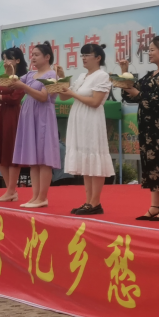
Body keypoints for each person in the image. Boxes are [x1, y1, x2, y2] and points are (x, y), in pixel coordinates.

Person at [119, 36, 159, 221]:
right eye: (149, 50)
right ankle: (155, 206)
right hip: (147, 127)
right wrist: (124, 73)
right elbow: (129, 95)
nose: (149, 53)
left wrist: (138, 94)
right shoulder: (150, 75)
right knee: (151, 164)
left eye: (152, 50)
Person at [59, 43, 115, 215]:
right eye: (82, 55)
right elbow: (63, 96)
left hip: (92, 120)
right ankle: (88, 201)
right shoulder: (82, 76)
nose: (83, 58)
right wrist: (61, 78)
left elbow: (96, 102)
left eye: (87, 55)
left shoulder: (102, 76)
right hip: (79, 119)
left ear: (98, 58)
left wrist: (73, 94)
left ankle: (95, 202)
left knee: (94, 157)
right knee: (85, 160)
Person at [11, 42, 61, 208]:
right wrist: (10, 68)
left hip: (43, 117)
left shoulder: (51, 74)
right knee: (33, 160)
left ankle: (42, 197)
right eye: (32, 54)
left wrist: (23, 86)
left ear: (47, 57)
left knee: (43, 159)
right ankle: (35, 197)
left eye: (37, 54)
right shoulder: (30, 74)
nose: (33, 57)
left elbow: (44, 97)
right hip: (29, 117)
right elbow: (11, 82)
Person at [0, 48, 27, 202]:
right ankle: (11, 190)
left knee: (11, 153)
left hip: (12, 117)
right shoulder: (3, 78)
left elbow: (14, 99)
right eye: (4, 58)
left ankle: (10, 190)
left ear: (17, 60)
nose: (5, 61)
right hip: (0, 116)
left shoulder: (21, 79)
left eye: (8, 58)